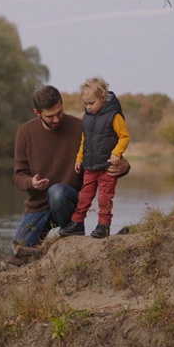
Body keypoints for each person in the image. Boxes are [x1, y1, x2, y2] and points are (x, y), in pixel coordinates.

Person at [12, 85, 130, 249]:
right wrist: (31, 182)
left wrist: (124, 166)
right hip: (38, 206)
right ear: (37, 113)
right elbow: (18, 176)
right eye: (50, 116)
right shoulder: (25, 132)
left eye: (59, 112)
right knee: (18, 249)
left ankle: (74, 230)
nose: (56, 119)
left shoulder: (81, 127)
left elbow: (104, 158)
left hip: (68, 201)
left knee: (57, 192)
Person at [58, 77, 130, 239]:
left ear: (103, 98)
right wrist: (79, 158)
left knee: (105, 197)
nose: (88, 107)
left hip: (107, 166)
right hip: (90, 166)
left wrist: (116, 153)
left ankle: (103, 226)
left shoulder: (114, 116)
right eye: (86, 104)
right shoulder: (87, 118)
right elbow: (85, 140)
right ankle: (76, 223)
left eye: (92, 103)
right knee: (84, 196)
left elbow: (124, 137)